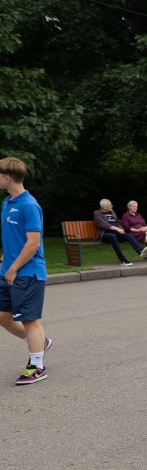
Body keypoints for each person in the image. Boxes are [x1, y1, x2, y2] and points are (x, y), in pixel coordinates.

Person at [0, 157, 52, 385]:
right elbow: (13, 238)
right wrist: (5, 260)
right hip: (9, 270)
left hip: (27, 272)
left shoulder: (29, 205)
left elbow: (33, 243)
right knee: (3, 316)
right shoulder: (7, 202)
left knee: (30, 320)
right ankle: (40, 342)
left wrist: (13, 268)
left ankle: (38, 366)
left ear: (7, 178)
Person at [93, 199, 147, 265]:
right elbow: (103, 224)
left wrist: (121, 229)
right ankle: (123, 260)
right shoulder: (97, 213)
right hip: (105, 234)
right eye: (110, 205)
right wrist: (117, 229)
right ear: (104, 207)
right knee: (112, 236)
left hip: (116, 233)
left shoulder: (112, 212)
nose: (112, 206)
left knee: (128, 235)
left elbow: (117, 223)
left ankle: (140, 251)